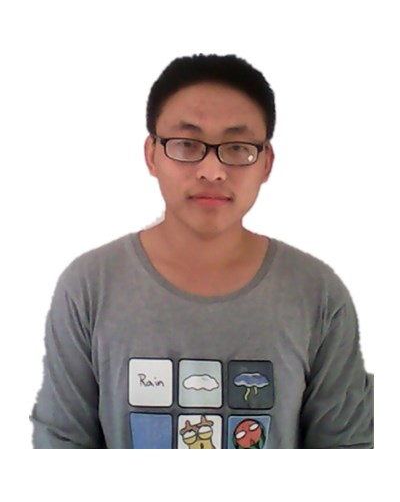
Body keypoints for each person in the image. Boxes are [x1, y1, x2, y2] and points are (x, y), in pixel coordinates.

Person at [30, 54, 374, 449]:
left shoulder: (318, 292)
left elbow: (348, 449)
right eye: (186, 144)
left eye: (238, 147)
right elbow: (62, 444)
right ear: (151, 154)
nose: (212, 171)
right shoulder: (89, 285)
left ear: (266, 163)